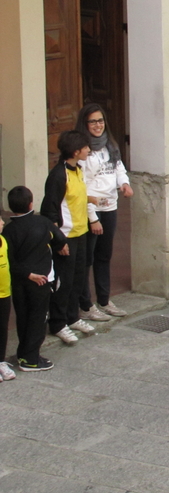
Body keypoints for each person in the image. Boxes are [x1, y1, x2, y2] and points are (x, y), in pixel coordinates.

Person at [74, 103, 134, 321]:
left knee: (104, 256)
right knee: (87, 259)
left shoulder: (110, 144)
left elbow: (118, 167)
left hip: (110, 206)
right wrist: (92, 218)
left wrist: (124, 184)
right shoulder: (82, 150)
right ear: (85, 123)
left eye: (100, 121)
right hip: (91, 210)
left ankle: (104, 300)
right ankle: (86, 305)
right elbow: (82, 187)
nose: (98, 125)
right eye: (93, 121)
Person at [41, 130, 97, 344]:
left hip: (81, 232)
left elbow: (77, 198)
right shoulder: (57, 176)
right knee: (63, 283)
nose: (88, 150)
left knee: (78, 279)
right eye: (85, 148)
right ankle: (57, 323)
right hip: (66, 237)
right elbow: (50, 211)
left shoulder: (78, 170)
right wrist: (59, 241)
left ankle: (72, 317)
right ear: (75, 151)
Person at [3, 186, 68, 372]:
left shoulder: (8, 231)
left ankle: (23, 353)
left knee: (23, 317)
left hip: (18, 282)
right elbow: (60, 239)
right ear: (31, 203)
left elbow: (9, 260)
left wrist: (25, 274)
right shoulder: (43, 223)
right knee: (38, 319)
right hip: (40, 280)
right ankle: (31, 359)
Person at [0, 216, 13, 381]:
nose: (3, 222)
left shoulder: (3, 240)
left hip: (5, 292)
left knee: (2, 327)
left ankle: (1, 360)